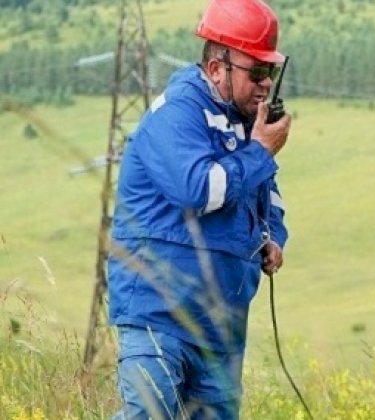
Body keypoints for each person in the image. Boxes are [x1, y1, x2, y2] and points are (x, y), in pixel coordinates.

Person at [106, 0, 292, 418]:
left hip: (220, 324)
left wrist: (272, 236)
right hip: (159, 311)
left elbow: (268, 192)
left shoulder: (247, 122)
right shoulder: (177, 114)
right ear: (215, 68)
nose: (266, 85)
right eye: (257, 72)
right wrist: (261, 150)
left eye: (271, 72)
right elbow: (200, 190)